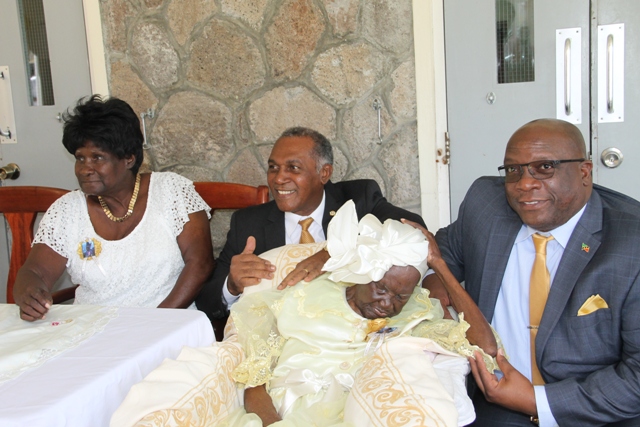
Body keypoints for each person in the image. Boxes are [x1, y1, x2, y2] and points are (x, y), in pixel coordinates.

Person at [426, 119, 640, 426]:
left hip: (593, 411)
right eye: (514, 170)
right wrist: (435, 288)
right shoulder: (486, 205)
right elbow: (447, 247)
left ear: (584, 173)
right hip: (493, 405)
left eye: (545, 167)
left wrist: (536, 401)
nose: (525, 184)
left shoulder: (631, 243)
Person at [227, 201, 497, 426]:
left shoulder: (417, 313)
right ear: (360, 273)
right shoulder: (303, 297)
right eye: (381, 288)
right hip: (279, 415)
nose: (387, 303)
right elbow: (254, 381)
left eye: (401, 296)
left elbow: (486, 346)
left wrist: (439, 265)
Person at [13, 95, 214, 321]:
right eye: (80, 158)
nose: (84, 169)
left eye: (97, 157)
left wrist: (155, 322)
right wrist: (29, 294)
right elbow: (35, 272)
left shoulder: (171, 192)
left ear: (128, 158)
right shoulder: (67, 210)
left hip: (165, 324)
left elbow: (200, 264)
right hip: (91, 329)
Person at [196, 126, 426, 322]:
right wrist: (231, 286)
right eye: (273, 167)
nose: (278, 179)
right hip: (283, 335)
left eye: (293, 168)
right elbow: (206, 302)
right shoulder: (247, 223)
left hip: (351, 329)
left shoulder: (359, 199)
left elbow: (413, 228)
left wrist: (333, 251)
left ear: (324, 173)